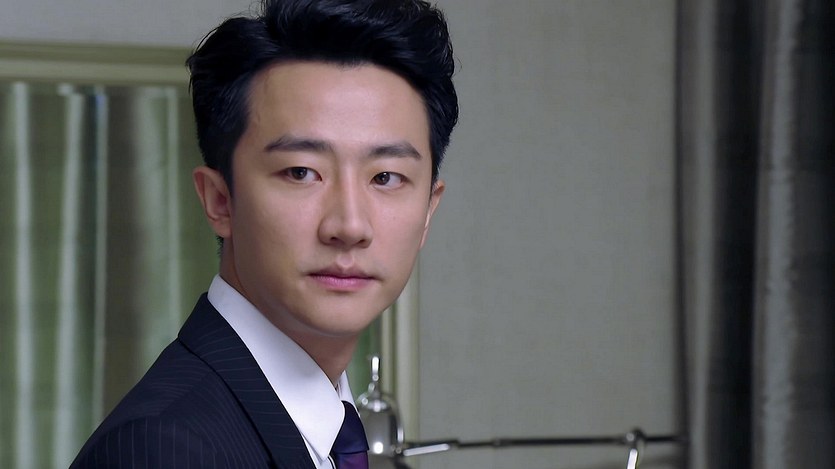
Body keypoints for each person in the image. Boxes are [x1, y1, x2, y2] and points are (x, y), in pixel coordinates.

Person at [70, 0, 458, 467]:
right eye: (301, 172)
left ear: (428, 211)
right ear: (219, 200)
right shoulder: (164, 447)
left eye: (386, 177)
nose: (349, 226)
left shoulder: (326, 426)